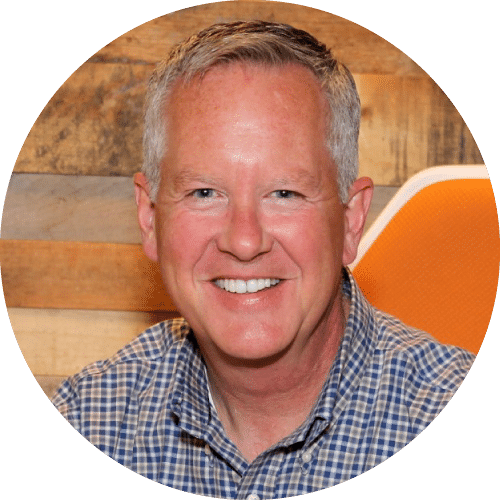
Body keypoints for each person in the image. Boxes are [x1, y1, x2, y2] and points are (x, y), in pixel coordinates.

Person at [52, 21, 475, 497]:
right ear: (149, 218)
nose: (245, 241)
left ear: (351, 221)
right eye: (204, 192)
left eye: (285, 193)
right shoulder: (88, 423)